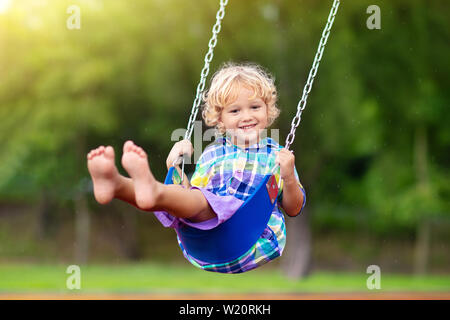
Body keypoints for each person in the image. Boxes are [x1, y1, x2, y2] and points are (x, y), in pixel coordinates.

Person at [87, 62, 306, 273]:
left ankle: (149, 190)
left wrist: (288, 177)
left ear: (268, 111)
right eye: (235, 111)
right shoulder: (212, 154)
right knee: (195, 198)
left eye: (255, 107)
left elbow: (294, 208)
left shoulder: (278, 157)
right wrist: (174, 167)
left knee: (204, 202)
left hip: (253, 238)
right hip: (205, 240)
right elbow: (192, 196)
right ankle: (117, 185)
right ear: (220, 120)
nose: (247, 116)